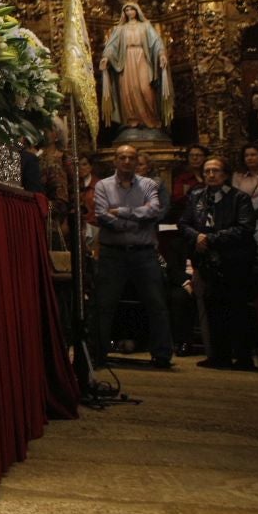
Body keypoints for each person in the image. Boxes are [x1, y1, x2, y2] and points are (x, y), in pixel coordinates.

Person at [92, 143, 173, 369]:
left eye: (131, 158)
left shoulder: (148, 184)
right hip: (113, 254)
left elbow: (155, 210)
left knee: (156, 304)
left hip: (143, 254)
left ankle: (162, 355)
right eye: (122, 157)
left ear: (137, 161)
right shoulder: (103, 186)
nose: (126, 161)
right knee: (104, 305)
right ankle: (98, 354)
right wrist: (137, 221)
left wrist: (122, 213)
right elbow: (102, 216)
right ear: (115, 161)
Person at [185, 156, 258, 369]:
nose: (211, 175)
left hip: (234, 260)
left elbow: (245, 228)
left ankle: (243, 357)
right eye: (207, 171)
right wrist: (197, 236)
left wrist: (210, 238)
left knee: (237, 308)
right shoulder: (197, 196)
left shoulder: (239, 198)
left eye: (216, 170)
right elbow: (184, 223)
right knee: (213, 308)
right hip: (208, 260)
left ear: (225, 174)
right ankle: (219, 355)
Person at [98, 2, 172, 137]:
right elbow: (111, 46)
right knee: (129, 90)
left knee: (145, 88)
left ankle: (151, 119)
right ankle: (132, 120)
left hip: (142, 58)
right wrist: (106, 58)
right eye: (126, 10)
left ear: (137, 11)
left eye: (132, 9)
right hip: (126, 60)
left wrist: (161, 54)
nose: (129, 12)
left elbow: (156, 42)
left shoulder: (145, 26)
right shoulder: (120, 29)